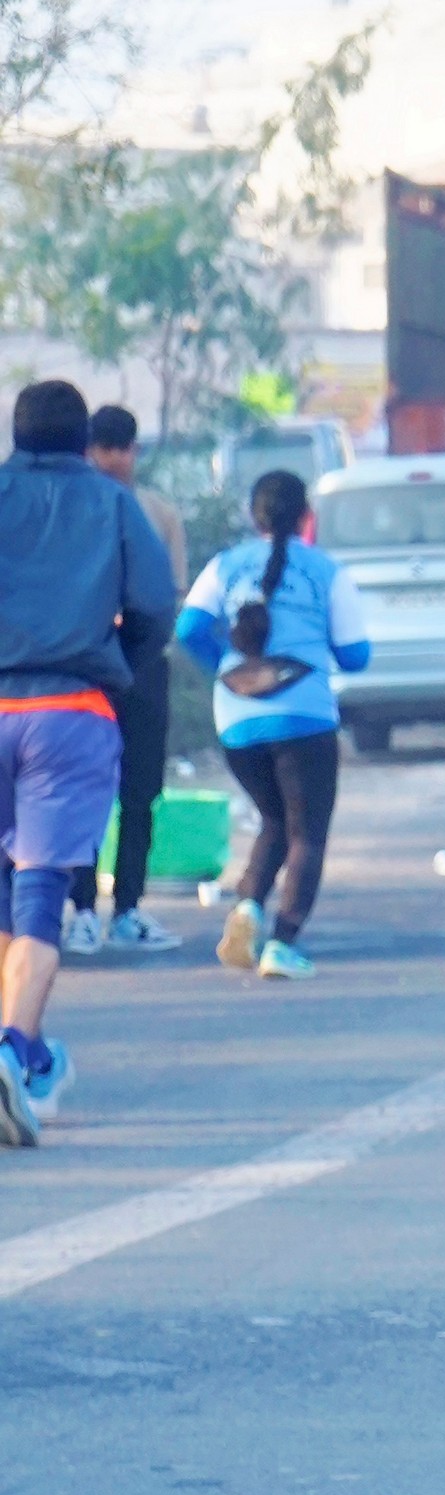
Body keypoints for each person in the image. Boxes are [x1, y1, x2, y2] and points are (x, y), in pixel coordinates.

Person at [0, 378, 175, 1146]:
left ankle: (27, 1056)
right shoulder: (112, 503)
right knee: (41, 894)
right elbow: (156, 606)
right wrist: (116, 665)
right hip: (70, 710)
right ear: (82, 440)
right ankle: (15, 1049)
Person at [175, 469, 371, 979]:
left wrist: (225, 668)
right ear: (307, 517)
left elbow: (189, 628)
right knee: (307, 833)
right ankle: (283, 943)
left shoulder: (224, 565)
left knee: (276, 819)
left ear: (252, 516)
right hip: (304, 719)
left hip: (236, 722)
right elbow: (355, 655)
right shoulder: (325, 571)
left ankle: (247, 908)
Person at [63, 403, 188, 955]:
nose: (112, 459)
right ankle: (82, 910)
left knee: (140, 793)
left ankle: (128, 909)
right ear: (88, 450)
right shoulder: (72, 511)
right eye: (102, 448)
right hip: (86, 668)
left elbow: (171, 598)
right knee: (83, 791)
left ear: (135, 451)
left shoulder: (160, 514)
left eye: (121, 448)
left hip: (141, 668)